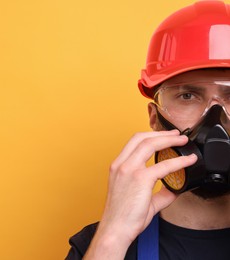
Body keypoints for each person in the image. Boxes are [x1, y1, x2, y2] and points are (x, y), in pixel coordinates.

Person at [66, 1, 230, 259]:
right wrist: (113, 236)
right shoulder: (99, 245)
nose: (215, 119)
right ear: (155, 118)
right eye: (187, 96)